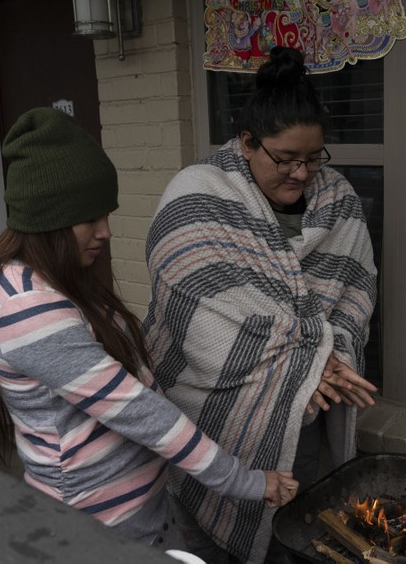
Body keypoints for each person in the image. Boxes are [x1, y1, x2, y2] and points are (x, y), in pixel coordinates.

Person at [0, 107, 298, 550]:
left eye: (107, 215)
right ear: (50, 218)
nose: (106, 232)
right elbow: (138, 411)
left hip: (136, 511)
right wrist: (247, 482)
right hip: (100, 525)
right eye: (90, 218)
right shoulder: (29, 306)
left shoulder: (43, 280)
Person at [143, 46, 378, 563]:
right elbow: (192, 295)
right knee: (209, 546)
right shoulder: (198, 191)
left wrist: (326, 357)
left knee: (292, 528)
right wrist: (305, 362)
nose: (301, 174)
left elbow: (354, 290)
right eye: (286, 159)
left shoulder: (336, 197)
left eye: (313, 159)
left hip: (304, 412)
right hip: (211, 411)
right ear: (248, 143)